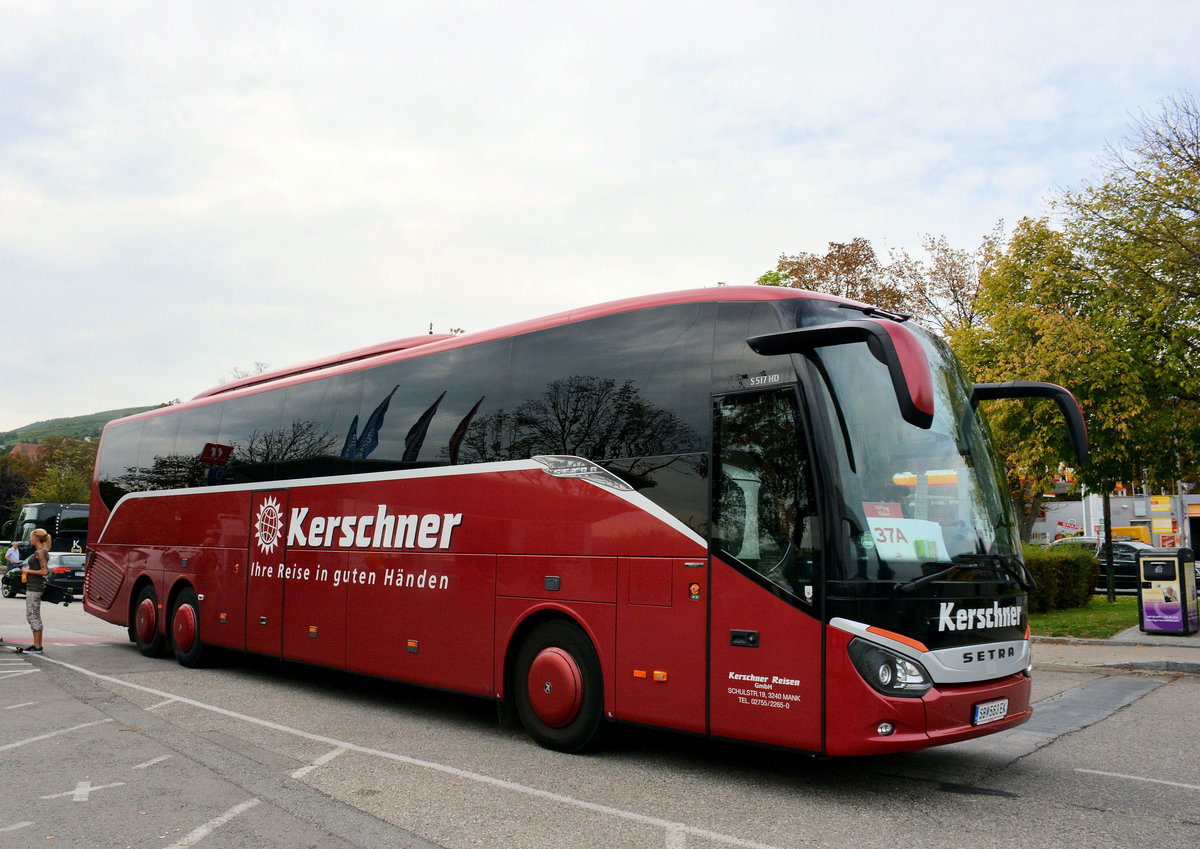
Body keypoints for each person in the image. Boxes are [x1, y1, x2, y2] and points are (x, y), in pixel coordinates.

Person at [21, 528, 50, 654]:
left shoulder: (41, 552)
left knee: (33, 615)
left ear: (36, 539)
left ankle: (38, 646)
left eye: (31, 537)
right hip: (33, 586)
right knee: (32, 615)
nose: (29, 539)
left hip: (35, 588)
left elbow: (45, 571)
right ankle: (36, 644)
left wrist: (28, 571)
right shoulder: (41, 551)